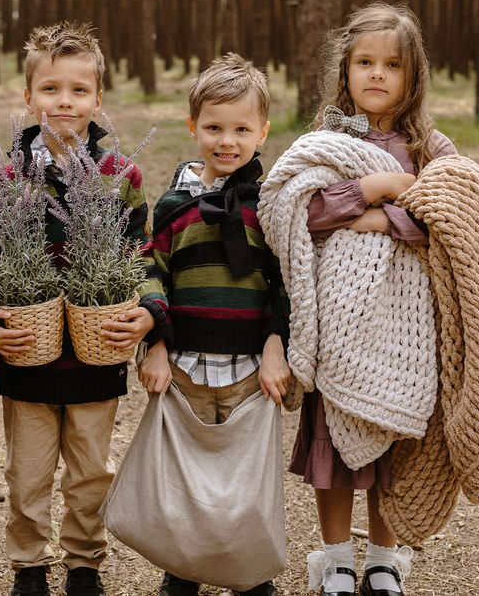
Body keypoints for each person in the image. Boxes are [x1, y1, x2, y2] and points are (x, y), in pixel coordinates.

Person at [0, 22, 157, 596]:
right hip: (28, 357)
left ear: (98, 99)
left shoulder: (120, 176)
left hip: (96, 359)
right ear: (28, 97)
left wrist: (148, 317)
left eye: (78, 90)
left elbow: (140, 256)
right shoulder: (5, 178)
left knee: (91, 471)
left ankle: (83, 563)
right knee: (26, 474)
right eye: (50, 89)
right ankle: (28, 565)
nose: (64, 102)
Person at [289, 3, 457, 596]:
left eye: (392, 64)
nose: (377, 75)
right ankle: (335, 557)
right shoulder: (325, 141)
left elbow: (454, 219)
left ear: (414, 76)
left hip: (406, 328)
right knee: (333, 439)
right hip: (338, 319)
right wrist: (373, 189)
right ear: (346, 71)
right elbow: (298, 209)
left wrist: (382, 224)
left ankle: (384, 558)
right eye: (365, 62)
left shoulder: (431, 148)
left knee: (393, 441)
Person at [137, 53, 292, 596]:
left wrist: (277, 347)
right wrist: (154, 345)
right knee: (188, 480)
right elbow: (150, 273)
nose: (227, 141)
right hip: (185, 369)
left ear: (263, 131)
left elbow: (285, 284)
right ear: (192, 127)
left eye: (242, 129)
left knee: (243, 483)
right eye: (214, 128)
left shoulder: (273, 206)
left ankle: (249, 574)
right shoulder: (174, 206)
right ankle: (183, 570)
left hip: (252, 371)